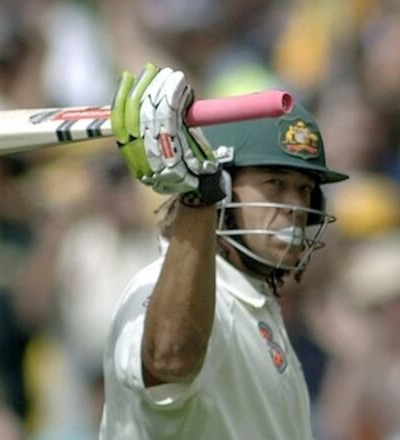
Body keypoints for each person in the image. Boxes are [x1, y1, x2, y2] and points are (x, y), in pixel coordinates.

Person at [99, 63, 347, 439]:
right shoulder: (161, 287)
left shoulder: (258, 306)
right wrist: (199, 200)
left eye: (304, 189)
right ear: (223, 187)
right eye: (275, 184)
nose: (296, 207)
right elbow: (170, 358)